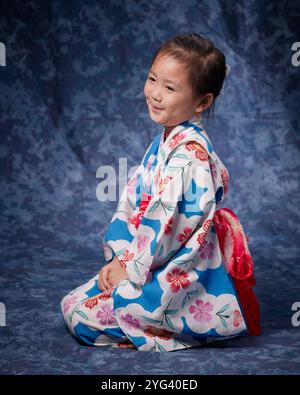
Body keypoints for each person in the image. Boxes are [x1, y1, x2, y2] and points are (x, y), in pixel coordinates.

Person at [60, 33, 260, 352]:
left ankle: (173, 325)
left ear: (202, 101)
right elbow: (136, 203)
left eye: (170, 88)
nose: (155, 94)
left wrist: (129, 267)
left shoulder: (189, 156)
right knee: (73, 301)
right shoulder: (164, 142)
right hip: (147, 257)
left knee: (81, 316)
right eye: (152, 79)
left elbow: (167, 226)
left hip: (177, 267)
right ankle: (136, 306)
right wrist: (123, 255)